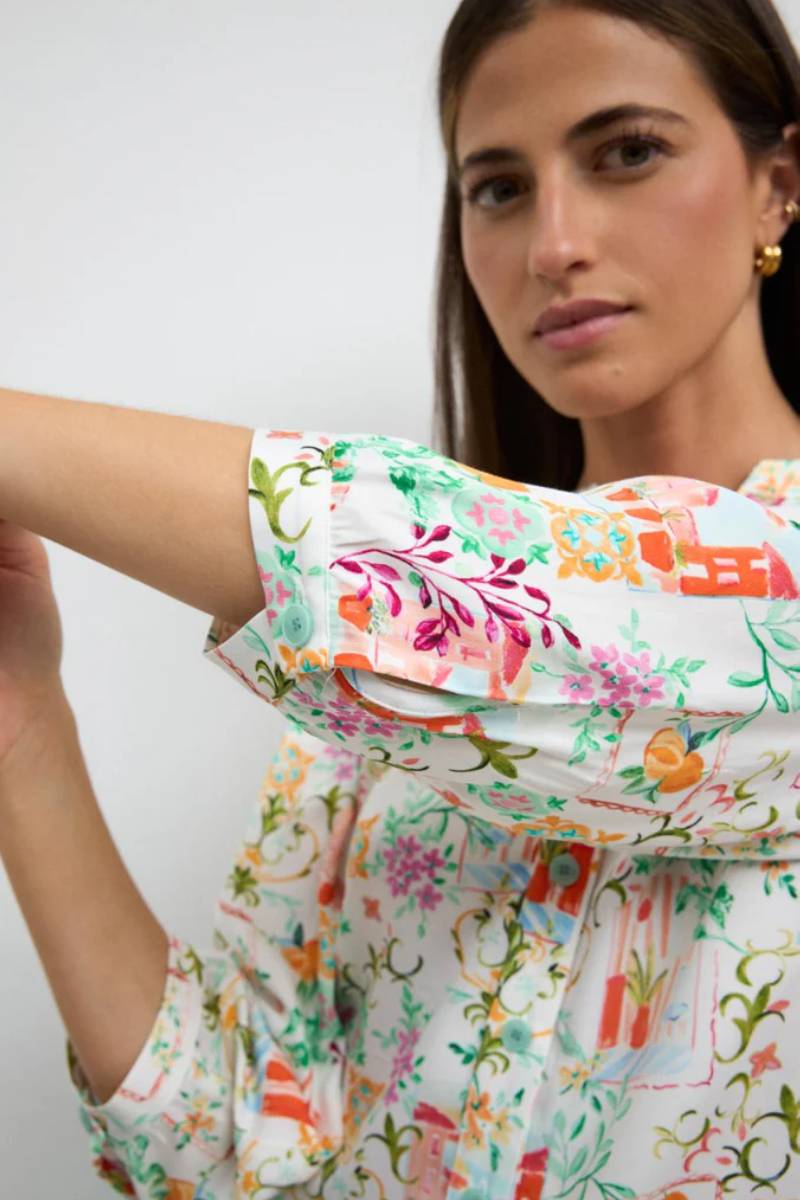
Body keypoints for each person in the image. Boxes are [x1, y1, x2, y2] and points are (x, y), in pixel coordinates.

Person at [3, 0, 800, 1195]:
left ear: (777, 187)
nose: (552, 243)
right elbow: (231, 1149)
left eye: (626, 151)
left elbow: (564, 617)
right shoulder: (385, 692)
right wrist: (25, 728)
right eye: (497, 188)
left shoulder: (415, 639)